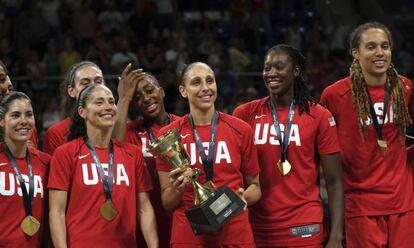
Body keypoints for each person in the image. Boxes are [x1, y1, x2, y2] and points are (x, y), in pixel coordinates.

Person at [233, 44, 344, 247]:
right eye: (267, 68)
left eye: (279, 67)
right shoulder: (244, 114)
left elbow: (334, 181)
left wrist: (336, 236)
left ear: (296, 70)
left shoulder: (319, 116)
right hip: (257, 229)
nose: (271, 73)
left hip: (304, 229)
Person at [320, 22, 414, 247]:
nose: (380, 52)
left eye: (385, 46)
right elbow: (323, 148)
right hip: (361, 208)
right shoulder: (334, 95)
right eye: (371, 47)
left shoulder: (404, 88)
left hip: (404, 203)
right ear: (355, 53)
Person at [155, 62, 261, 247]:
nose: (205, 88)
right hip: (189, 234)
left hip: (233, 230)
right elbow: (167, 203)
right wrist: (178, 188)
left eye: (210, 81)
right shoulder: (168, 137)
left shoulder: (241, 129)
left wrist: (241, 198)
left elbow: (256, 187)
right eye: (196, 82)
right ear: (183, 91)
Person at [48, 84, 158, 247]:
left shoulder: (133, 154)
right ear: (82, 111)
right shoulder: (65, 153)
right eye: (99, 102)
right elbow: (57, 212)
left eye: (111, 102)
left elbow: (144, 208)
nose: (108, 107)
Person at [113, 64, 179, 248]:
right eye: (137, 97)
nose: (146, 99)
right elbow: (114, 150)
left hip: (178, 217)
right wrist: (124, 98)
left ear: (162, 91)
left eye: (150, 90)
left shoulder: (182, 127)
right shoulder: (131, 132)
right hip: (145, 220)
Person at [0, 92, 50, 247]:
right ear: (2, 120)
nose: (24, 121)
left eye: (29, 115)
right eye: (15, 115)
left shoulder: (46, 162)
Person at [43, 61, 104, 155]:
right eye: (85, 83)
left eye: (98, 82)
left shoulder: (116, 128)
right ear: (72, 91)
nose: (94, 87)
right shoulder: (56, 133)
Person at [0, 60, 38, 148]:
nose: (5, 88)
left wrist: (28, 153)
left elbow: (35, 159)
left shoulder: (24, 126)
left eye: (2, 79)